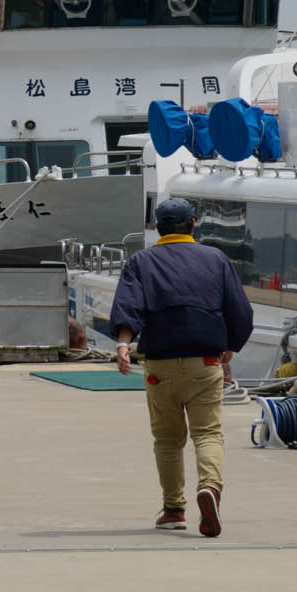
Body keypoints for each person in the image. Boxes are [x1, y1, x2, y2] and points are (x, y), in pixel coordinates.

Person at [110, 195, 253, 537]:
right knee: (208, 434)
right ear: (192, 224)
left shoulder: (141, 261)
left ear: (158, 228)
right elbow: (240, 311)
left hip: (160, 367)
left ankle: (174, 509)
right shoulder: (215, 259)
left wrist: (123, 345)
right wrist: (230, 347)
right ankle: (210, 488)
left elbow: (129, 305)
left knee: (168, 440)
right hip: (205, 362)